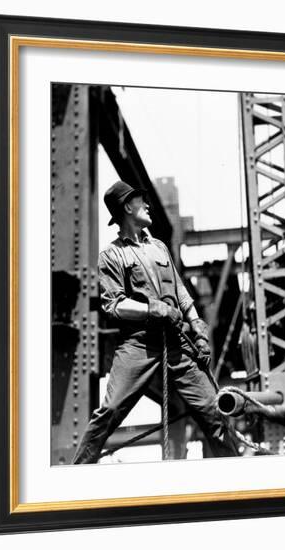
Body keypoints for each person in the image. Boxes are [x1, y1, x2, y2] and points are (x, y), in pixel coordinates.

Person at [72, 180, 236, 464]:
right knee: (110, 411)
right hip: (138, 345)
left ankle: (240, 473)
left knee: (214, 411)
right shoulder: (111, 255)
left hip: (177, 341)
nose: (147, 205)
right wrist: (153, 309)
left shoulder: (159, 246)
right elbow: (114, 304)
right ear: (127, 207)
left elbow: (180, 290)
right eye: (140, 201)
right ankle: (73, 477)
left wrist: (197, 326)